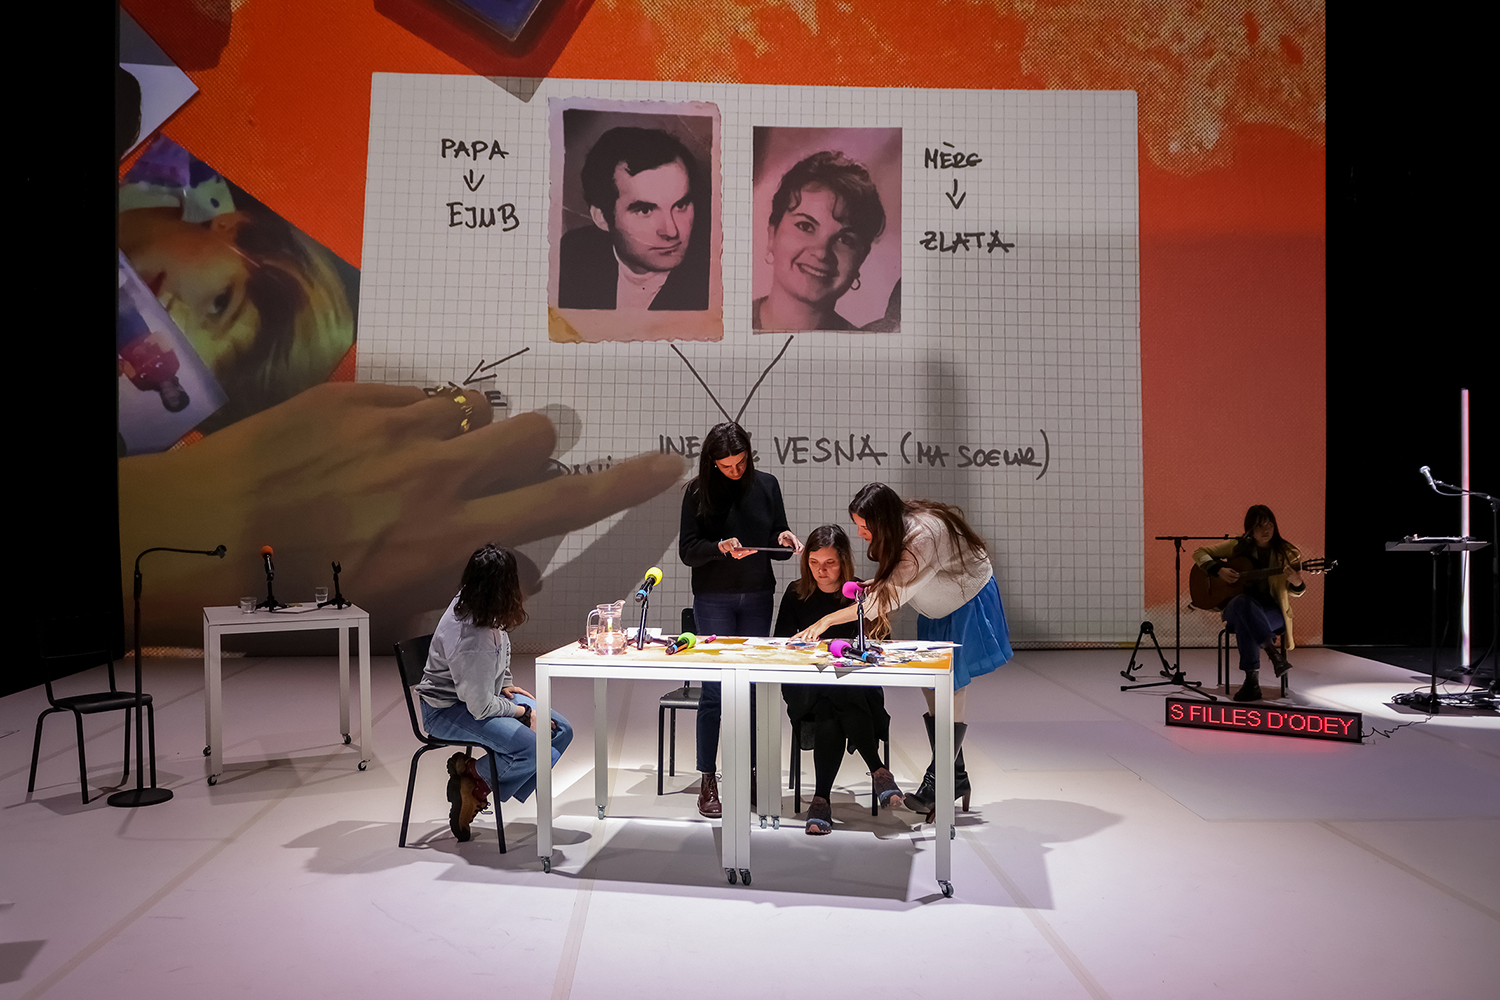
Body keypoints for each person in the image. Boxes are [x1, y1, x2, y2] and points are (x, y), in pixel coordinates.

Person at [794, 483, 1013, 820]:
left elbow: (885, 600)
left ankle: (939, 781)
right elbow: (897, 580)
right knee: (931, 688)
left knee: (950, 687)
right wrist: (877, 584)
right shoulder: (901, 525)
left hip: (966, 601)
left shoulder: (922, 537)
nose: (861, 534)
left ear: (882, 520)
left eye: (864, 527)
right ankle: (956, 776)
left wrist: (826, 621)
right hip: (936, 606)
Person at [118, 136, 355, 431]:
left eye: (185, 356)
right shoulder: (174, 149)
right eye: (220, 303)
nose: (170, 321)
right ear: (239, 227)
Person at [678, 422, 800, 817]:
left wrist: (784, 538)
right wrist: (720, 547)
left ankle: (750, 772)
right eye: (727, 466)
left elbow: (776, 536)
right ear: (711, 462)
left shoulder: (767, 485)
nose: (736, 471)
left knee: (751, 688)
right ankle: (708, 779)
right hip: (713, 598)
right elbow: (688, 551)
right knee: (714, 690)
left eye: (741, 462)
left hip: (758, 596)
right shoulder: (696, 492)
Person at [415, 544, 575, 842]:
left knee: (561, 730)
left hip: (481, 695)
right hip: (447, 710)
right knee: (536, 749)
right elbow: (479, 707)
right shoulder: (470, 637)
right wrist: (524, 712)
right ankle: (476, 785)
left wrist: (504, 682)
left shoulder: (477, 604)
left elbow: (500, 645)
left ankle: (474, 775)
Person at [774, 524, 901, 834]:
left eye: (830, 562)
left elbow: (881, 644)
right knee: (834, 692)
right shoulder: (795, 593)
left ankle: (821, 800)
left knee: (832, 702)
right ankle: (878, 770)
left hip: (855, 686)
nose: (821, 570)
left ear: (843, 561)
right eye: (814, 562)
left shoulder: (859, 593)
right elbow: (780, 643)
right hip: (806, 687)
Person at [557, 126, 709, 311]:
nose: (671, 231)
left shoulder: (712, 276)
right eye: (645, 211)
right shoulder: (573, 253)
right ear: (602, 218)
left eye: (680, 206)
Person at [753, 150, 890, 332]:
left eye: (845, 239)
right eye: (805, 226)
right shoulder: (724, 323)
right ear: (772, 235)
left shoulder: (869, 347)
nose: (821, 252)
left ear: (861, 259)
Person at [1193, 505, 1306, 702]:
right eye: (1259, 526)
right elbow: (1199, 553)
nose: (1266, 530)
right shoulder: (1238, 546)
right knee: (1242, 603)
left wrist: (1297, 582)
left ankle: (1251, 682)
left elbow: (1294, 591)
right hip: (1236, 607)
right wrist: (1218, 570)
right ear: (1249, 529)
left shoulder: (1288, 553)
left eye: (1270, 525)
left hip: (1272, 612)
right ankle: (1272, 653)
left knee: (1246, 621)